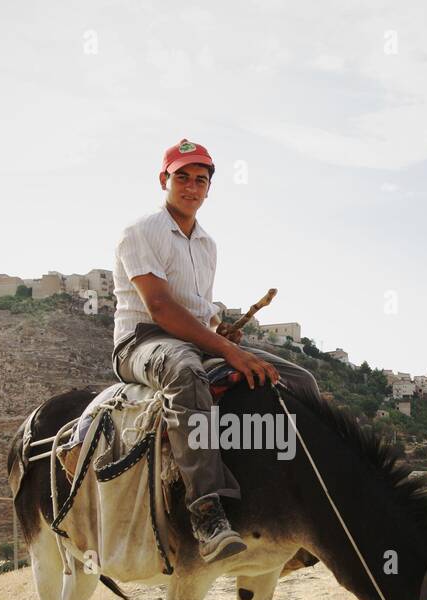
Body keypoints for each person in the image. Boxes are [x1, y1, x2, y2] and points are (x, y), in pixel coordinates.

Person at [111, 137, 319, 562]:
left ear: (209, 188)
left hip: (191, 339)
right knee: (185, 372)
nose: (191, 186)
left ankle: (305, 498)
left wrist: (216, 327)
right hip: (143, 342)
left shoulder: (208, 244)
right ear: (163, 180)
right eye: (181, 177)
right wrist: (225, 349)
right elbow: (162, 308)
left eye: (200, 179)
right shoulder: (139, 232)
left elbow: (196, 308)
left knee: (300, 379)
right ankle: (207, 511)